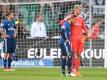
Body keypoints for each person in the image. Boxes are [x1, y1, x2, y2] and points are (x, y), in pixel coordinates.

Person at [70, 5, 90, 76]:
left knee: (78, 55)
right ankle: (72, 71)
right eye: (79, 10)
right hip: (74, 38)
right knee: (74, 54)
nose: (80, 11)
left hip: (81, 39)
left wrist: (87, 33)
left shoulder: (81, 19)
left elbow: (84, 27)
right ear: (75, 10)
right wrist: (71, 20)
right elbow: (67, 25)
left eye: (80, 10)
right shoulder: (71, 18)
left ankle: (77, 71)